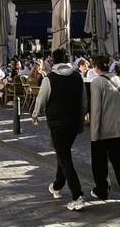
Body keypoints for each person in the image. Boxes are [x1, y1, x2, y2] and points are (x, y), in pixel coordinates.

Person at [31, 49, 88, 212]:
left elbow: (41, 99)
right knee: (63, 153)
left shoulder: (50, 79)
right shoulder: (78, 77)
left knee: (65, 157)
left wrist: (35, 115)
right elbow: (84, 101)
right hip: (73, 124)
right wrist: (81, 117)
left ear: (52, 62)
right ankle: (57, 185)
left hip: (57, 123)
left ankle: (77, 195)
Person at [88, 55, 120, 205]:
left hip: (104, 129)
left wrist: (94, 133)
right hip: (119, 126)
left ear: (96, 67)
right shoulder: (118, 78)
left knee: (99, 161)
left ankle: (102, 190)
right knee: (118, 159)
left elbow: (96, 109)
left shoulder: (97, 82)